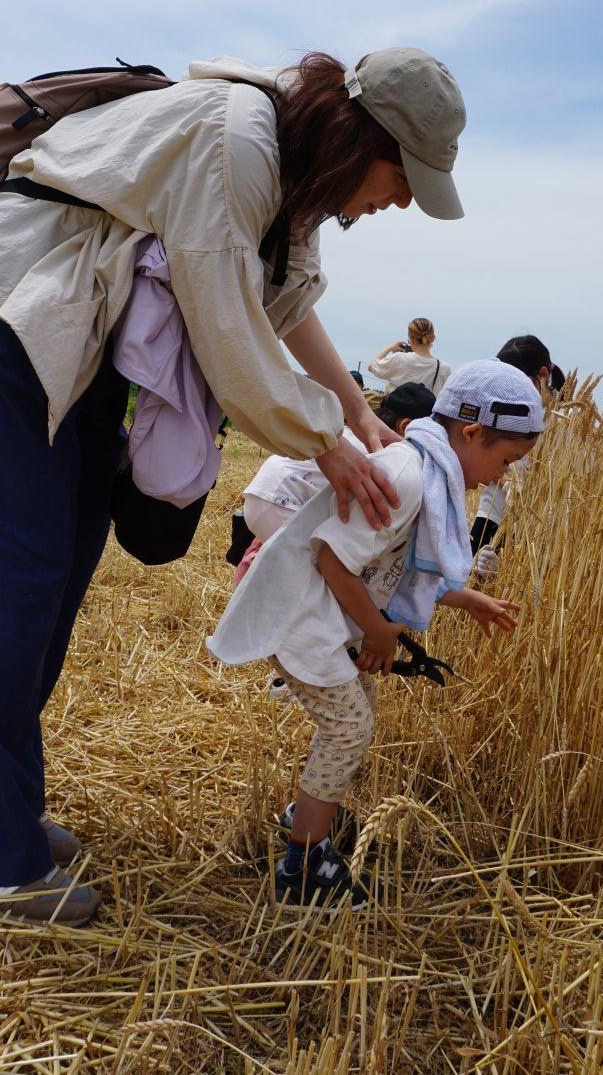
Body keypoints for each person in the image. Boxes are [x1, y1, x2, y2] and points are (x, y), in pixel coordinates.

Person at [0, 45, 466, 925]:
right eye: (403, 178)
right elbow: (227, 328)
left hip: (77, 329)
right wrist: (329, 444)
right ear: (365, 138)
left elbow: (285, 304)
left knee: (54, 574)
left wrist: (360, 418)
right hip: (12, 307)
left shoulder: (288, 172)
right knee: (4, 574)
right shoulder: (238, 142)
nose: (398, 201)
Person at [207, 360, 542, 907]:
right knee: (348, 729)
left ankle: (310, 817)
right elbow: (333, 560)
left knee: (356, 715)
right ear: (472, 432)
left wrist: (468, 599)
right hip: (300, 617)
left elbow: (397, 566)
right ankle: (304, 867)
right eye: (505, 460)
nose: (501, 475)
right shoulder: (409, 476)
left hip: (321, 616)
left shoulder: (428, 472)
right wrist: (379, 632)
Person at [232, 383, 438, 711]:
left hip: (271, 496)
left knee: (319, 568)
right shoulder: (395, 457)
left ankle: (299, 666)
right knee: (329, 578)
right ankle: (297, 669)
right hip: (280, 500)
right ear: (407, 426)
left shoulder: (371, 438)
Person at [470, 335, 563, 568]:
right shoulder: (500, 409)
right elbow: (480, 455)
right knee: (472, 574)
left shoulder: (566, 422)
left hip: (541, 523)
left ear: (542, 375)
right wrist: (507, 482)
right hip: (494, 509)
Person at [368, 317, 451, 393]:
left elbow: (371, 366)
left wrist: (391, 348)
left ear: (411, 339)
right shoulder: (444, 369)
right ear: (432, 338)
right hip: (425, 409)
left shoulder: (399, 359)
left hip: (394, 409)